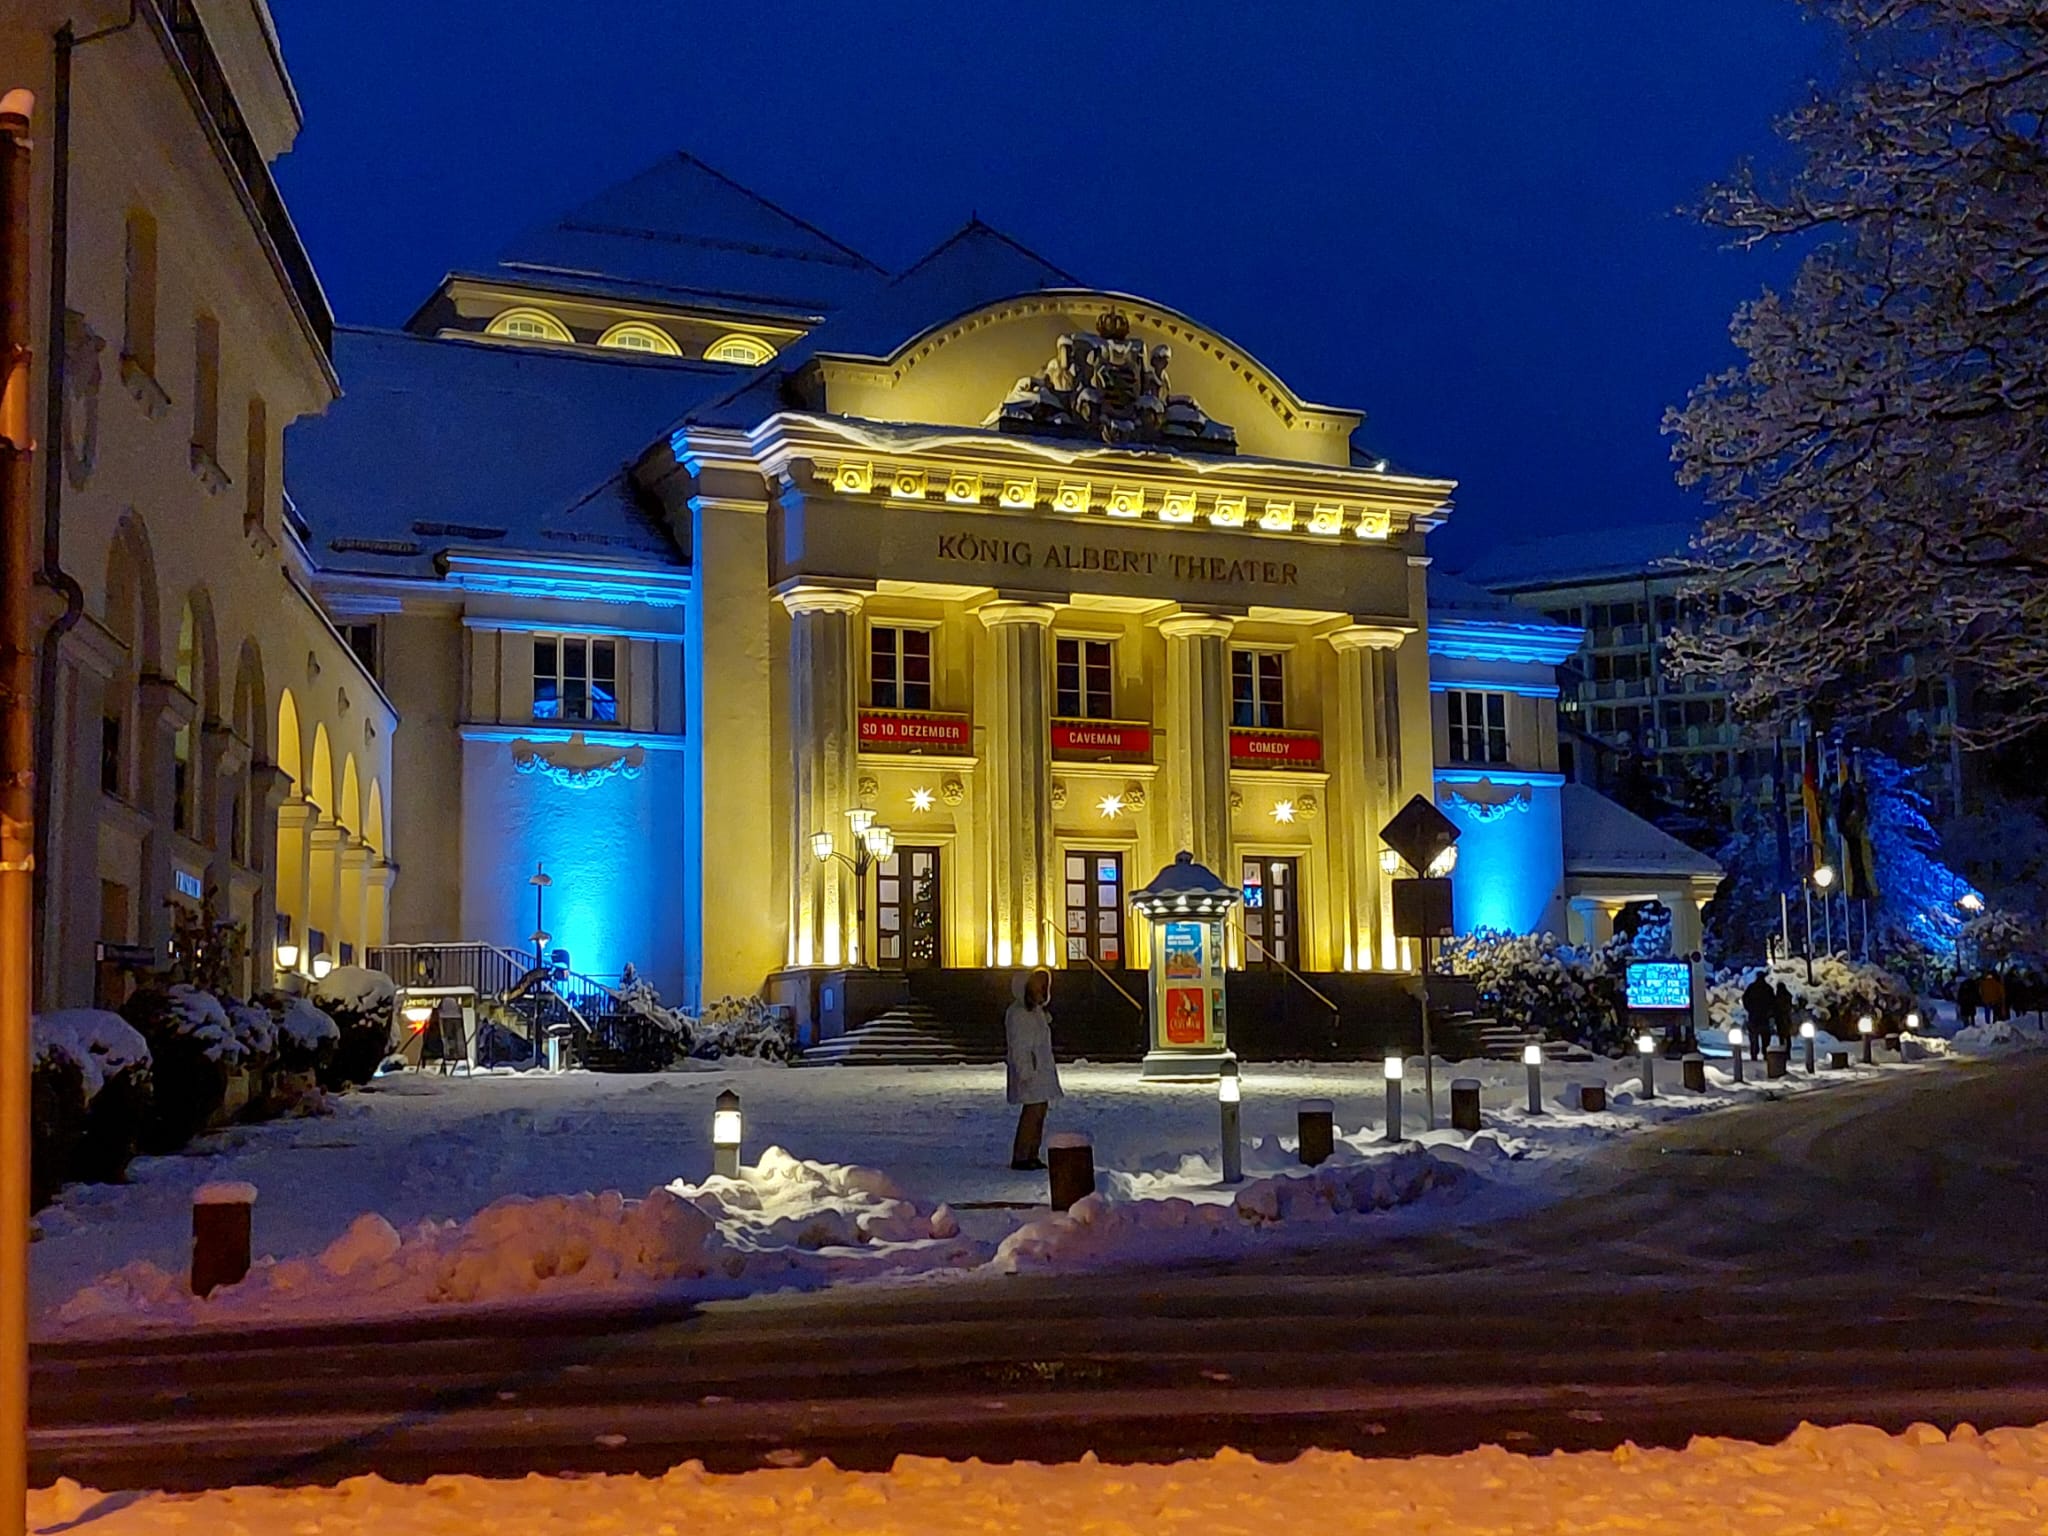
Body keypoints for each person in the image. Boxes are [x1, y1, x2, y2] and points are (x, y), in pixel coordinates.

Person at [1005, 967, 1062, 1171]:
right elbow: (1019, 1046)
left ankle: (1031, 1153)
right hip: (1031, 1070)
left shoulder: (1036, 1012)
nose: (1041, 990)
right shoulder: (1020, 1014)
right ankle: (1022, 1154)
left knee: (1039, 1111)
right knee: (1032, 1112)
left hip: (1039, 1070)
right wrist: (1026, 1071)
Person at [1741, 970, 1776, 1062]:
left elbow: (1745, 999)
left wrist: (1750, 1009)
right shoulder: (1768, 988)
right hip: (1764, 1017)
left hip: (1754, 1017)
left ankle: (1754, 1054)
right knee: (1765, 1038)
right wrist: (1770, 1013)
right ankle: (1765, 1054)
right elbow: (1773, 1002)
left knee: (1753, 1038)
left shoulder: (1751, 988)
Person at [1772, 981, 1795, 1054]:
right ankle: (1787, 1050)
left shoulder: (1777, 997)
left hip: (1780, 1018)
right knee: (1787, 1035)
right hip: (1786, 1017)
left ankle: (1783, 1048)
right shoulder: (1788, 996)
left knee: (1781, 1035)